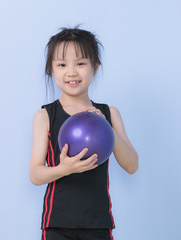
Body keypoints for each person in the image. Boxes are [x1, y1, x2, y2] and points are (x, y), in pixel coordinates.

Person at [29, 27, 139, 240]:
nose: (71, 72)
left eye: (80, 63)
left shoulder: (110, 113)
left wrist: (106, 126)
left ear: (95, 68)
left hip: (98, 222)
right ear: (51, 70)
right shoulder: (44, 116)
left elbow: (132, 165)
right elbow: (35, 174)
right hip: (57, 223)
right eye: (61, 65)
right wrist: (64, 168)